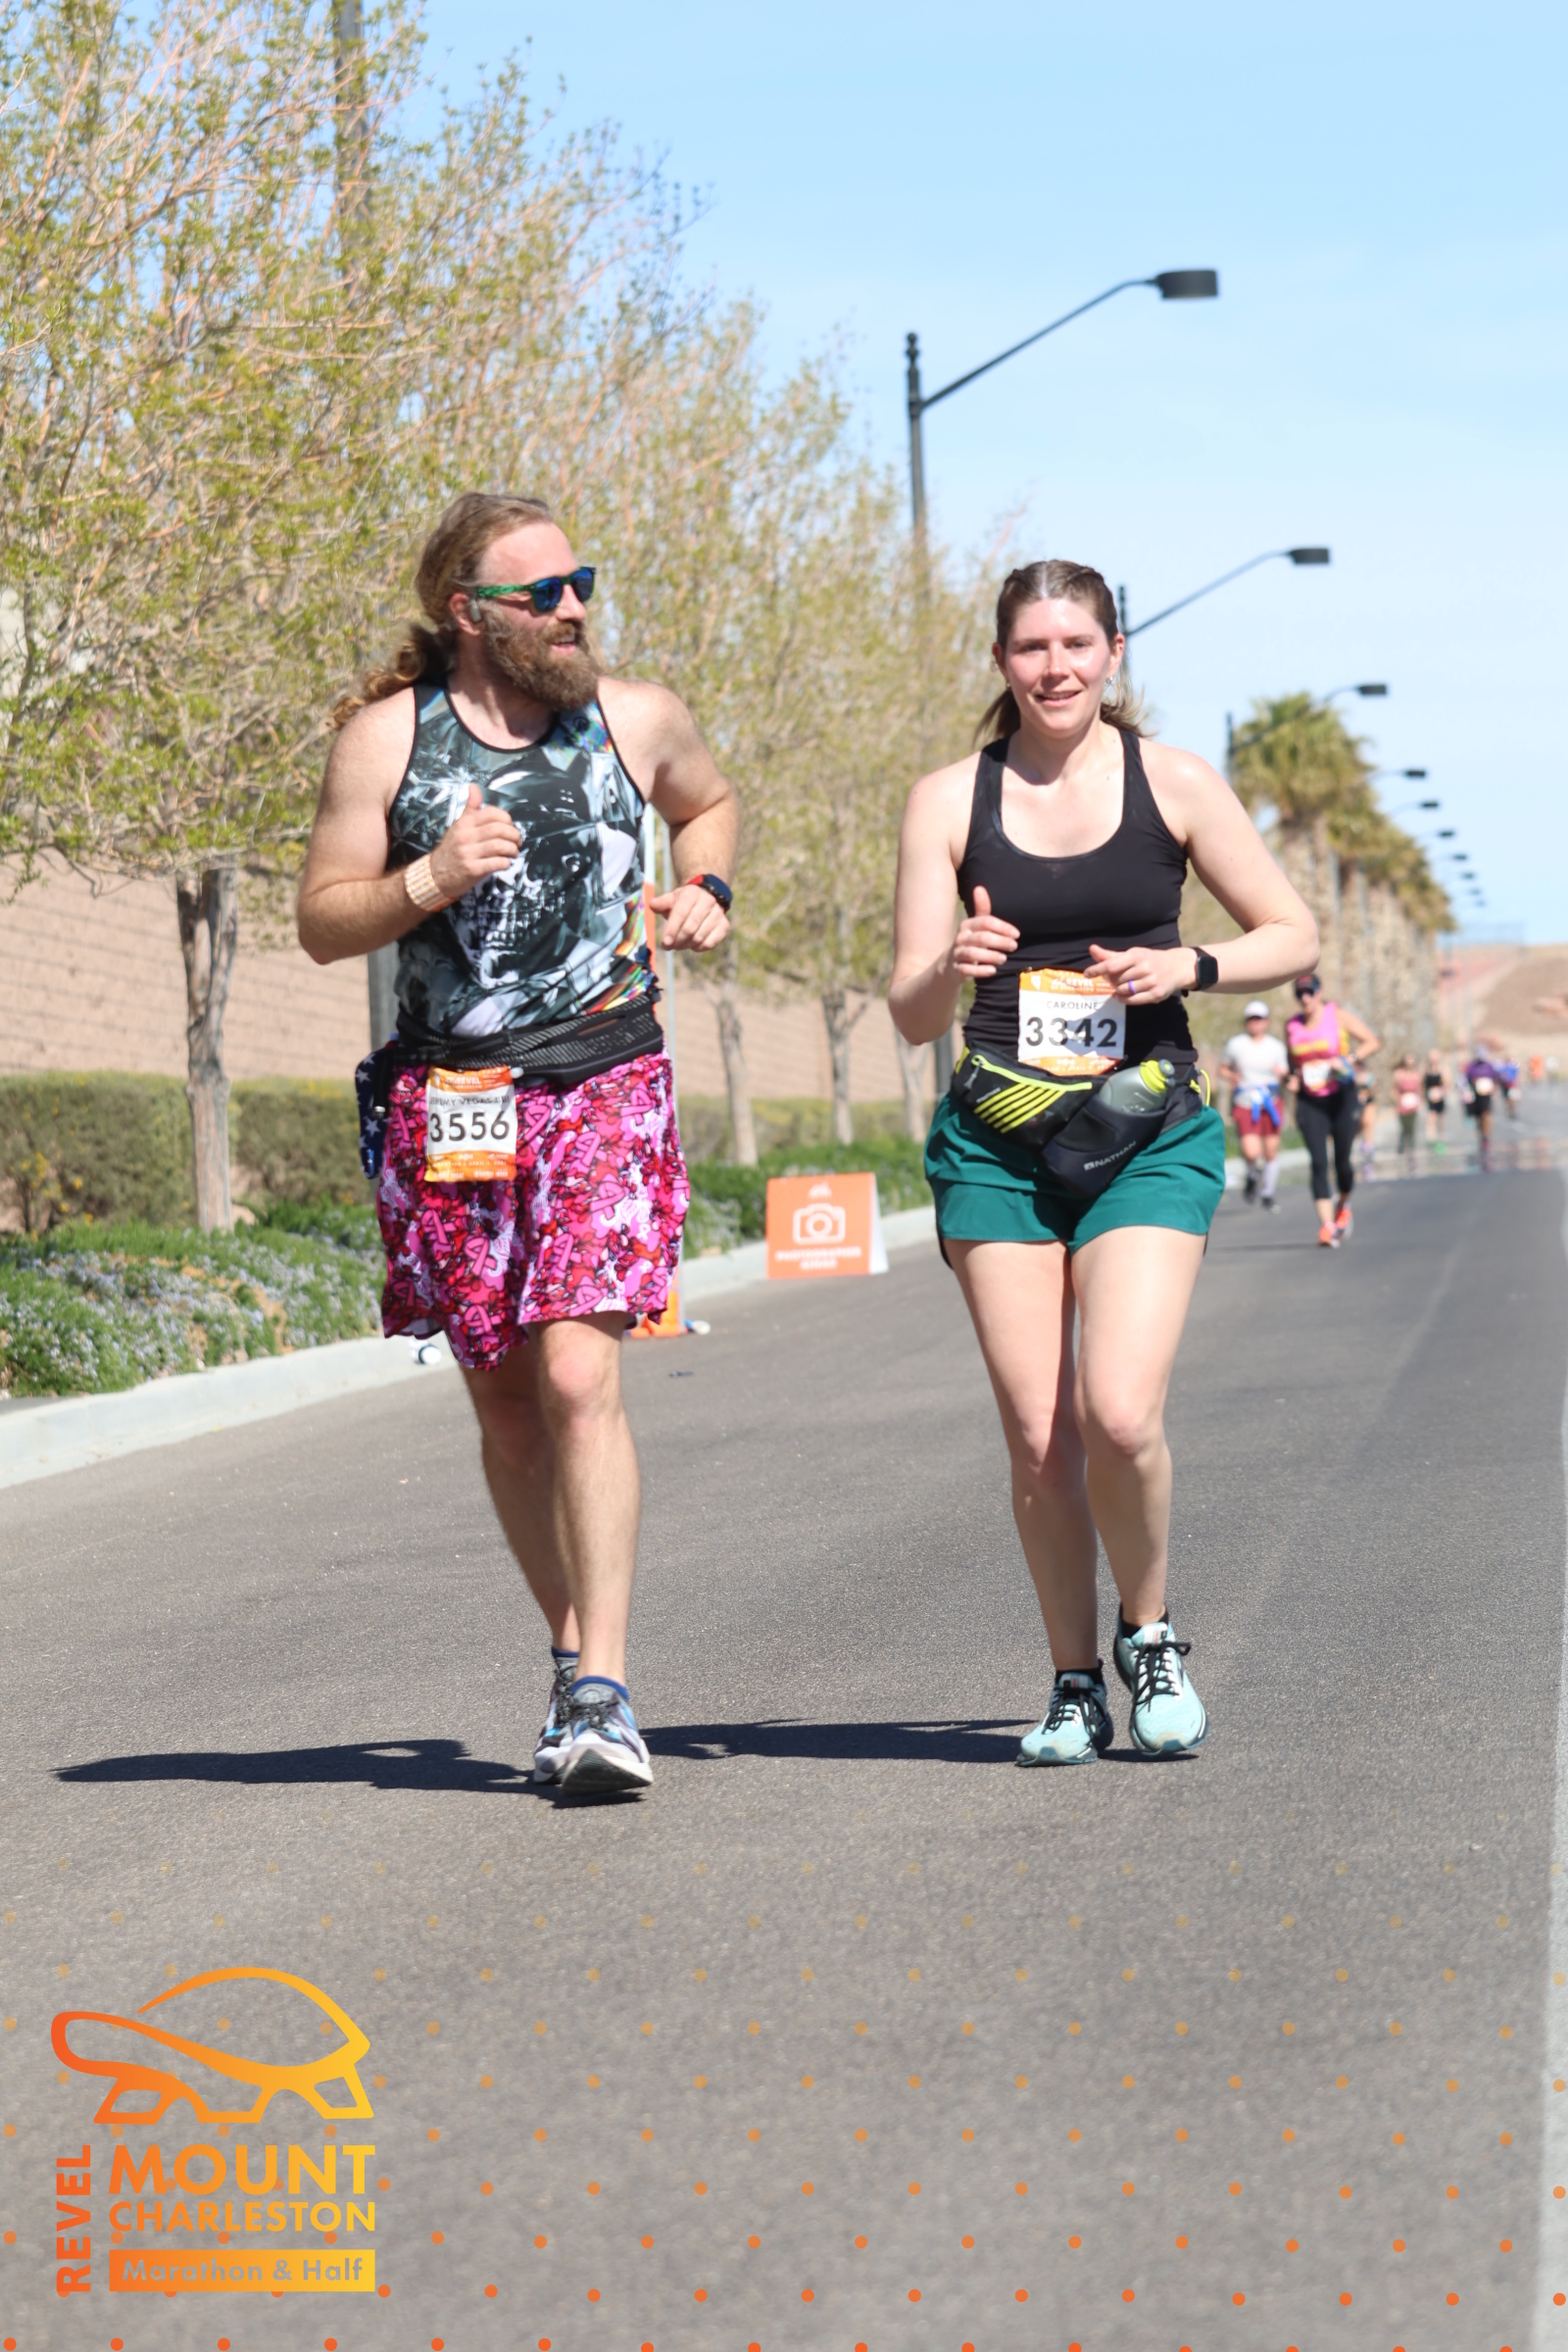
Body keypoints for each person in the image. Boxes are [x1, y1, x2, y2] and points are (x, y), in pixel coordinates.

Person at [297, 492, 738, 1796]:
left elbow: (709, 803)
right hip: (456, 1097)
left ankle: (605, 1690)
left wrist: (706, 888)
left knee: (579, 1379)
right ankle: (568, 1654)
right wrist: (431, 876)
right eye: (541, 593)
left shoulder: (633, 718)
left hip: (603, 1072)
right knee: (501, 1396)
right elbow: (322, 922)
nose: (572, 608)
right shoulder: (389, 741)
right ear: (468, 613)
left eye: (578, 583)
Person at [889, 559, 1317, 1767]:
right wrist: (951, 965)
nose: (1055, 667)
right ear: (1001, 661)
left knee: (1119, 1414)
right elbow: (909, 1014)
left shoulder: (1172, 783)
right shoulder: (946, 800)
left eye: (1076, 644)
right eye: (1031, 648)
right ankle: (1073, 1681)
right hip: (996, 1145)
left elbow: (1293, 932)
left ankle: (1151, 1632)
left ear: (1113, 652)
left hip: (1144, 1133)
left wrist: (1191, 967)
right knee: (1041, 1438)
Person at [1285, 975, 1379, 1248]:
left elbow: (1371, 1041)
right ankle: (1327, 1227)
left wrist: (1348, 1059)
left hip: (1341, 1097)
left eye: (1310, 992)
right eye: (1300, 993)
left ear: (1320, 992)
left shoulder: (1336, 1015)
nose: (1305, 998)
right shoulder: (1292, 1025)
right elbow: (1291, 1061)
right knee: (1318, 1162)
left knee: (1342, 1164)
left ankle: (1343, 1203)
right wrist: (1292, 1078)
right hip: (1310, 1100)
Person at [1219, 1001, 1289, 1209]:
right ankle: (1252, 1174)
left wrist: (1283, 1076)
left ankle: (1268, 1193)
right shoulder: (1236, 1044)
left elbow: (1285, 1073)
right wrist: (1232, 1076)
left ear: (1266, 1022)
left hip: (1270, 1102)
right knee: (1251, 1151)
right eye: (1251, 1019)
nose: (1255, 1023)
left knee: (1270, 1151)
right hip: (1245, 1101)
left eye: (1259, 1019)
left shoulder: (1276, 1046)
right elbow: (1223, 1068)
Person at [1461, 1044, 1502, 1165]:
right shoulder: (1472, 1066)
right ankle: (1481, 1135)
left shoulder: (1489, 1066)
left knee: (1486, 1115)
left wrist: (1494, 1089)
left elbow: (1495, 1078)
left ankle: (1486, 1136)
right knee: (1478, 1117)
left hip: (1486, 1095)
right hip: (1476, 1095)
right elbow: (1466, 1079)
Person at [1392, 1052, 1423, 1171]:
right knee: (1404, 1127)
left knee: (1412, 1127)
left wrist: (1419, 1101)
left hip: (1413, 1103)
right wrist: (1397, 1101)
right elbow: (1394, 1089)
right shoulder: (1398, 1074)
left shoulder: (1417, 1074)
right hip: (1402, 1104)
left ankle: (1411, 1149)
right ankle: (1401, 1148)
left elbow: (1419, 1089)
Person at [1423, 1048, 1450, 1151]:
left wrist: (1442, 1092)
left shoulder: (1443, 1068)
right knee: (1430, 1119)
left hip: (1440, 1098)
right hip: (1430, 1097)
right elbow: (1422, 1083)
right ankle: (1431, 1140)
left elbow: (1447, 1083)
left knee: (1440, 1119)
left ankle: (1440, 1140)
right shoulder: (1426, 1069)